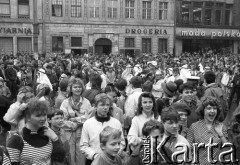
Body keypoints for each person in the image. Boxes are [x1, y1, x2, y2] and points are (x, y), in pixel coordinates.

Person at [6, 98, 65, 165]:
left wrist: (55, 139)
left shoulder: (48, 134)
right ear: (27, 117)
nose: (42, 118)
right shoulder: (17, 139)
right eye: (38, 116)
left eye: (44, 115)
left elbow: (60, 158)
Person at [80, 93, 125, 165]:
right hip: (93, 160)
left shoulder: (116, 123)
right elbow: (84, 145)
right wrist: (95, 156)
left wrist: (114, 153)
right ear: (95, 106)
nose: (105, 107)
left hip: (113, 160)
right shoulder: (88, 123)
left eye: (107, 105)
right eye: (102, 105)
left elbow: (122, 142)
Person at [187, 96, 228, 165]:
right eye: (209, 108)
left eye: (214, 108)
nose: (212, 111)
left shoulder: (221, 126)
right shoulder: (194, 127)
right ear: (203, 110)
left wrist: (221, 134)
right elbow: (189, 149)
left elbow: (227, 148)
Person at [60, 78, 91, 165]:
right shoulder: (65, 102)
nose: (78, 89)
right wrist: (77, 122)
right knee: (69, 156)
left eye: (79, 87)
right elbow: (62, 120)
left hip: (82, 133)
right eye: (75, 87)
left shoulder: (86, 102)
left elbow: (88, 118)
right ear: (70, 89)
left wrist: (74, 120)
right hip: (68, 134)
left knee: (81, 157)